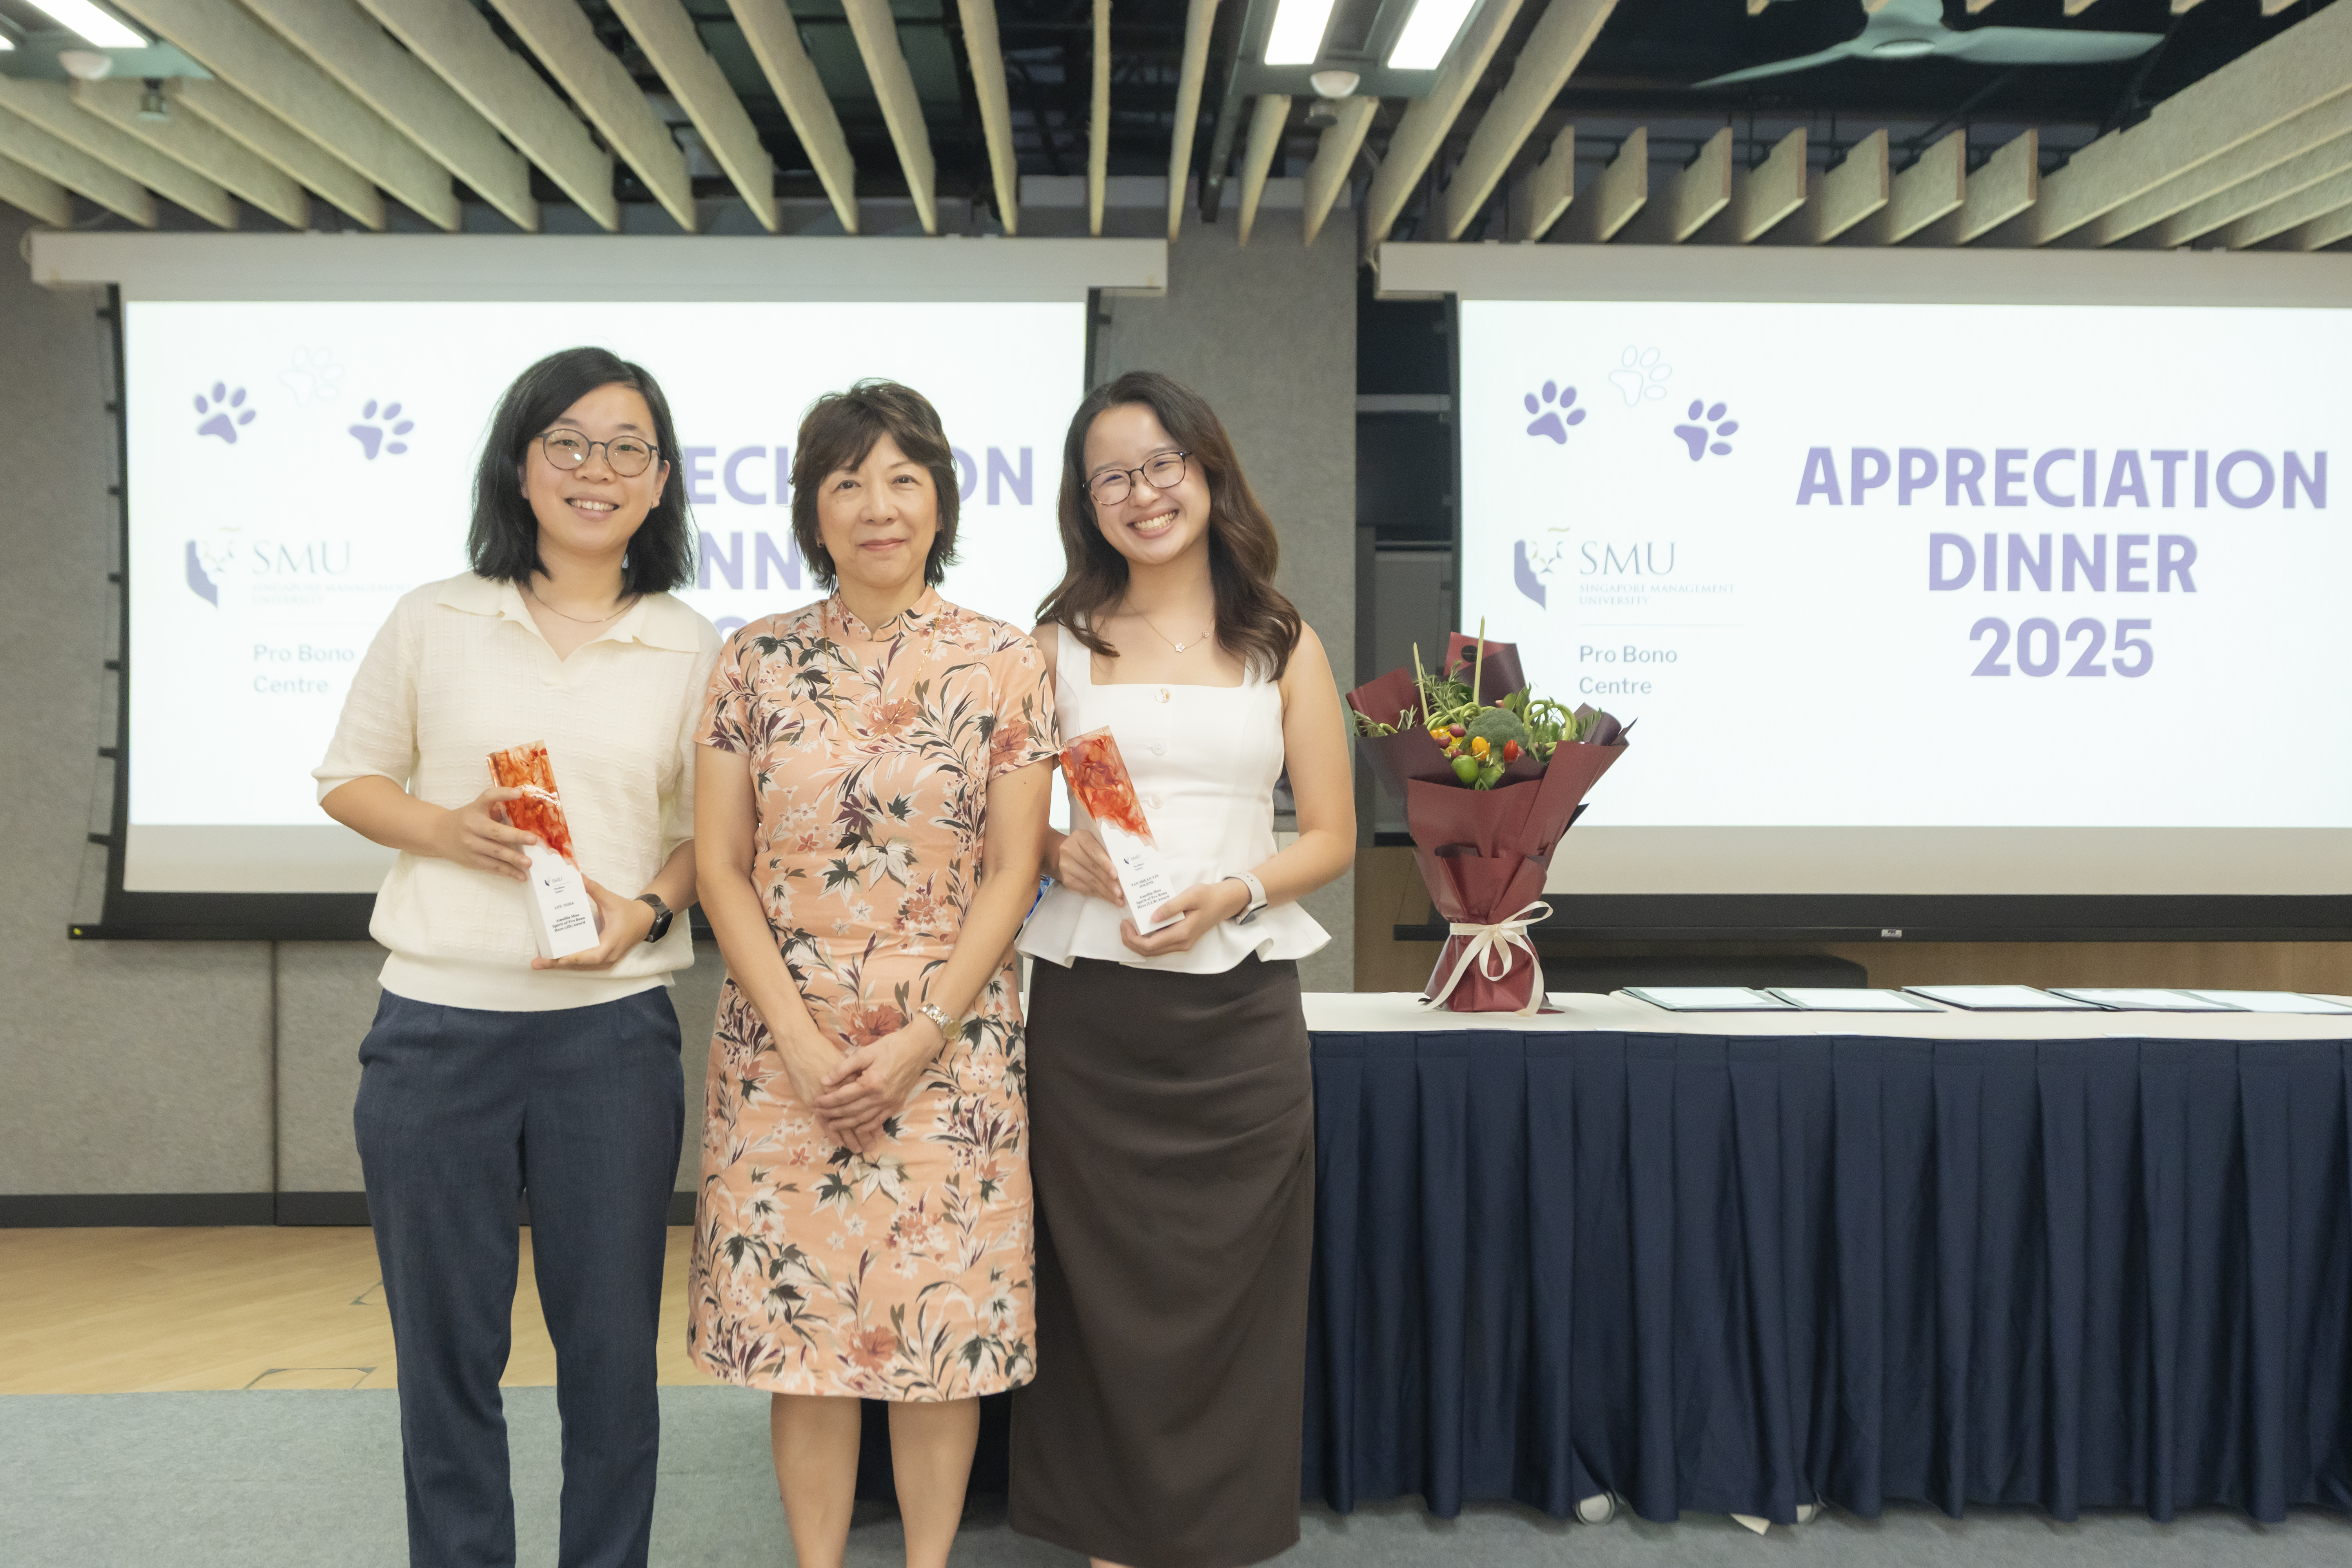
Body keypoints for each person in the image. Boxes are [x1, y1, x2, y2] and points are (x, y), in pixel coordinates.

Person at [316, 346, 720, 1568]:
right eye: (569, 443)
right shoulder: (435, 617)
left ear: (659, 486)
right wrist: (446, 830)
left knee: (610, 1359)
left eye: (627, 449)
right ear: (521, 464)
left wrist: (644, 913)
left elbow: (715, 838)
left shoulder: (693, 644)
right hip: (435, 1031)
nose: (596, 470)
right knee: (446, 1358)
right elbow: (350, 779)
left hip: (611, 1034)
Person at [686, 379, 1057, 1568]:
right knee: (807, 1340)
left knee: (935, 1338)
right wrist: (794, 1037)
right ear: (811, 510)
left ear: (942, 499)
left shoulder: (1005, 662)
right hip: (780, 1045)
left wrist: (925, 1033)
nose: (876, 506)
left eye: (903, 479)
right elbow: (721, 867)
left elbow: (1013, 870)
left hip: (950, 1049)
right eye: (846, 482)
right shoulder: (754, 658)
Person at [1010, 370, 1356, 1568]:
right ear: (1086, 500)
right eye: (1113, 474)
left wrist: (1236, 891)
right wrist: (1061, 851)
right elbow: (1000, 830)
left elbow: (1330, 837)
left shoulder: (1282, 637)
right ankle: (1112, 1534)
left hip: (1242, 1010)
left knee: (1231, 1287)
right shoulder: (1052, 645)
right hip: (1092, 1012)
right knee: (1101, 1286)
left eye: (1164, 464)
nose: (1142, 492)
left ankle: (1214, 1531)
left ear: (1209, 472)